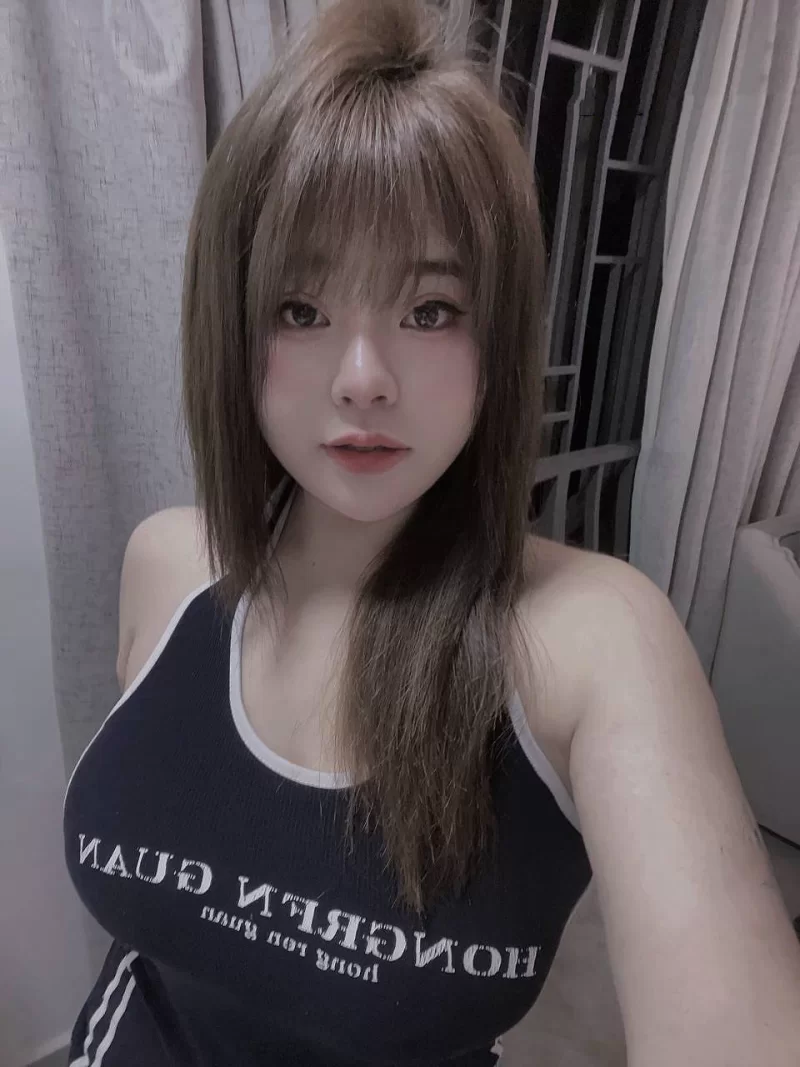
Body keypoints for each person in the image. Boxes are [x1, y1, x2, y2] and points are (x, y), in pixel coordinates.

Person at [63, 0, 800, 1064]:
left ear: (497, 336)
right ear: (232, 322)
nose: (363, 379)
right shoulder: (170, 563)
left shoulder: (590, 640)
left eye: (428, 310)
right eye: (301, 309)